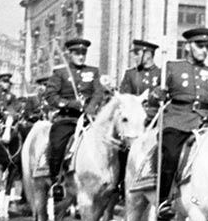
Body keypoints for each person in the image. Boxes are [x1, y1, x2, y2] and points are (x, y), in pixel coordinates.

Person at [150, 27, 208, 219]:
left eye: (206, 47)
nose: (204, 50)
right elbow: (155, 95)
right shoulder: (172, 67)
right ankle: (164, 200)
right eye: (199, 46)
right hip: (177, 119)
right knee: (170, 152)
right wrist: (157, 94)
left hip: (204, 122)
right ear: (188, 46)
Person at [44, 39, 106, 201]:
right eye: (77, 53)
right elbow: (51, 96)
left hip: (88, 118)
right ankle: (55, 181)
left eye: (83, 53)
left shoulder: (93, 71)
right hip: (67, 118)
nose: (80, 56)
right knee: (58, 144)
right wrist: (71, 104)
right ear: (70, 54)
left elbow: (98, 93)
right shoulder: (60, 73)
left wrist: (90, 108)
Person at [119, 39, 161, 123]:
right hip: (134, 116)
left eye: (137, 54)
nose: (135, 57)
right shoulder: (130, 74)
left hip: (156, 117)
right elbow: (124, 96)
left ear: (148, 55)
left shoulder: (161, 74)